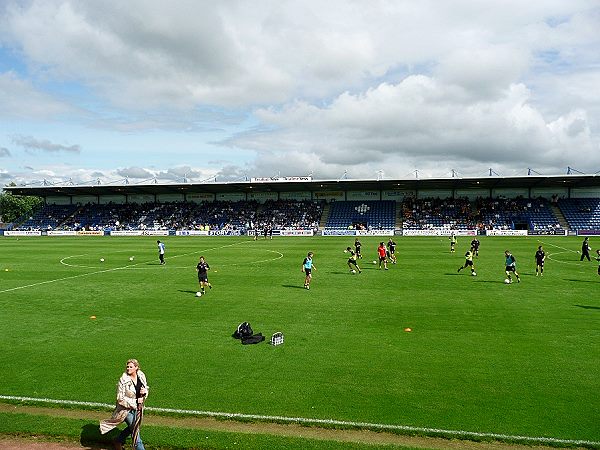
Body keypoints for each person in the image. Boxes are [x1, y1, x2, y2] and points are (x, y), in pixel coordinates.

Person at [100, 359, 149, 450]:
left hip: (138, 409)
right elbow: (120, 399)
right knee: (136, 433)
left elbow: (145, 388)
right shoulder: (123, 380)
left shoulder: (141, 375)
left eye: (131, 367)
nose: (128, 368)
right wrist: (135, 402)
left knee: (135, 426)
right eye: (127, 367)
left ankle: (118, 440)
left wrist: (145, 392)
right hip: (126, 411)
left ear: (136, 368)